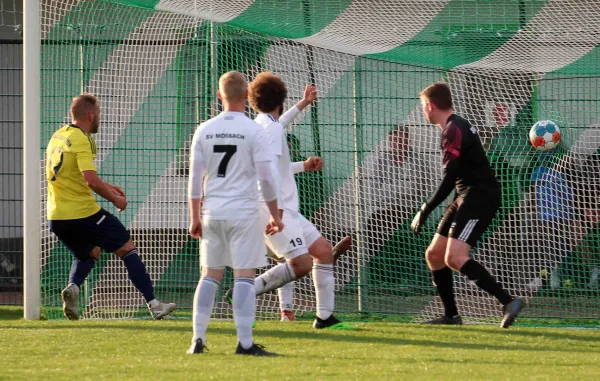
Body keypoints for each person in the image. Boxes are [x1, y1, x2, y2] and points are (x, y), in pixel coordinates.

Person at [227, 73, 353, 330]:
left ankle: (325, 318)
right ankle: (245, 292)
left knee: (323, 252)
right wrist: (278, 213)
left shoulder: (261, 124)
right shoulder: (269, 129)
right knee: (302, 264)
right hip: (275, 208)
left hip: (280, 208)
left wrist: (303, 105)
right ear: (280, 98)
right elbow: (269, 172)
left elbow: (278, 143)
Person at [46, 94, 176, 321]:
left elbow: (77, 176)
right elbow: (90, 180)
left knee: (90, 252)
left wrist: (108, 186)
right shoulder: (82, 139)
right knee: (127, 248)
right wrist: (116, 200)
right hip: (83, 213)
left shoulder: (58, 136)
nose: (100, 118)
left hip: (57, 217)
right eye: (99, 114)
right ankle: (155, 305)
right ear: (90, 115)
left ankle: (73, 288)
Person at [410, 82, 525, 328]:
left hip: (479, 195)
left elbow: (450, 177)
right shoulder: (453, 127)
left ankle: (509, 301)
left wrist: (425, 208)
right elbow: (456, 179)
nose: (423, 112)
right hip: (465, 195)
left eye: (422, 107)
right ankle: (451, 315)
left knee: (455, 257)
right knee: (434, 255)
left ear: (430, 106)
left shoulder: (453, 129)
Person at [187, 71, 284, 356]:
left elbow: (195, 180)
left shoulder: (204, 129)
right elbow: (267, 179)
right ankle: (244, 343)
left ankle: (198, 340)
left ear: (220, 96)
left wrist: (194, 217)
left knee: (209, 276)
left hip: (212, 212)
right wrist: (276, 216)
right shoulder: (254, 130)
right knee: (243, 276)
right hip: (243, 211)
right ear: (247, 96)